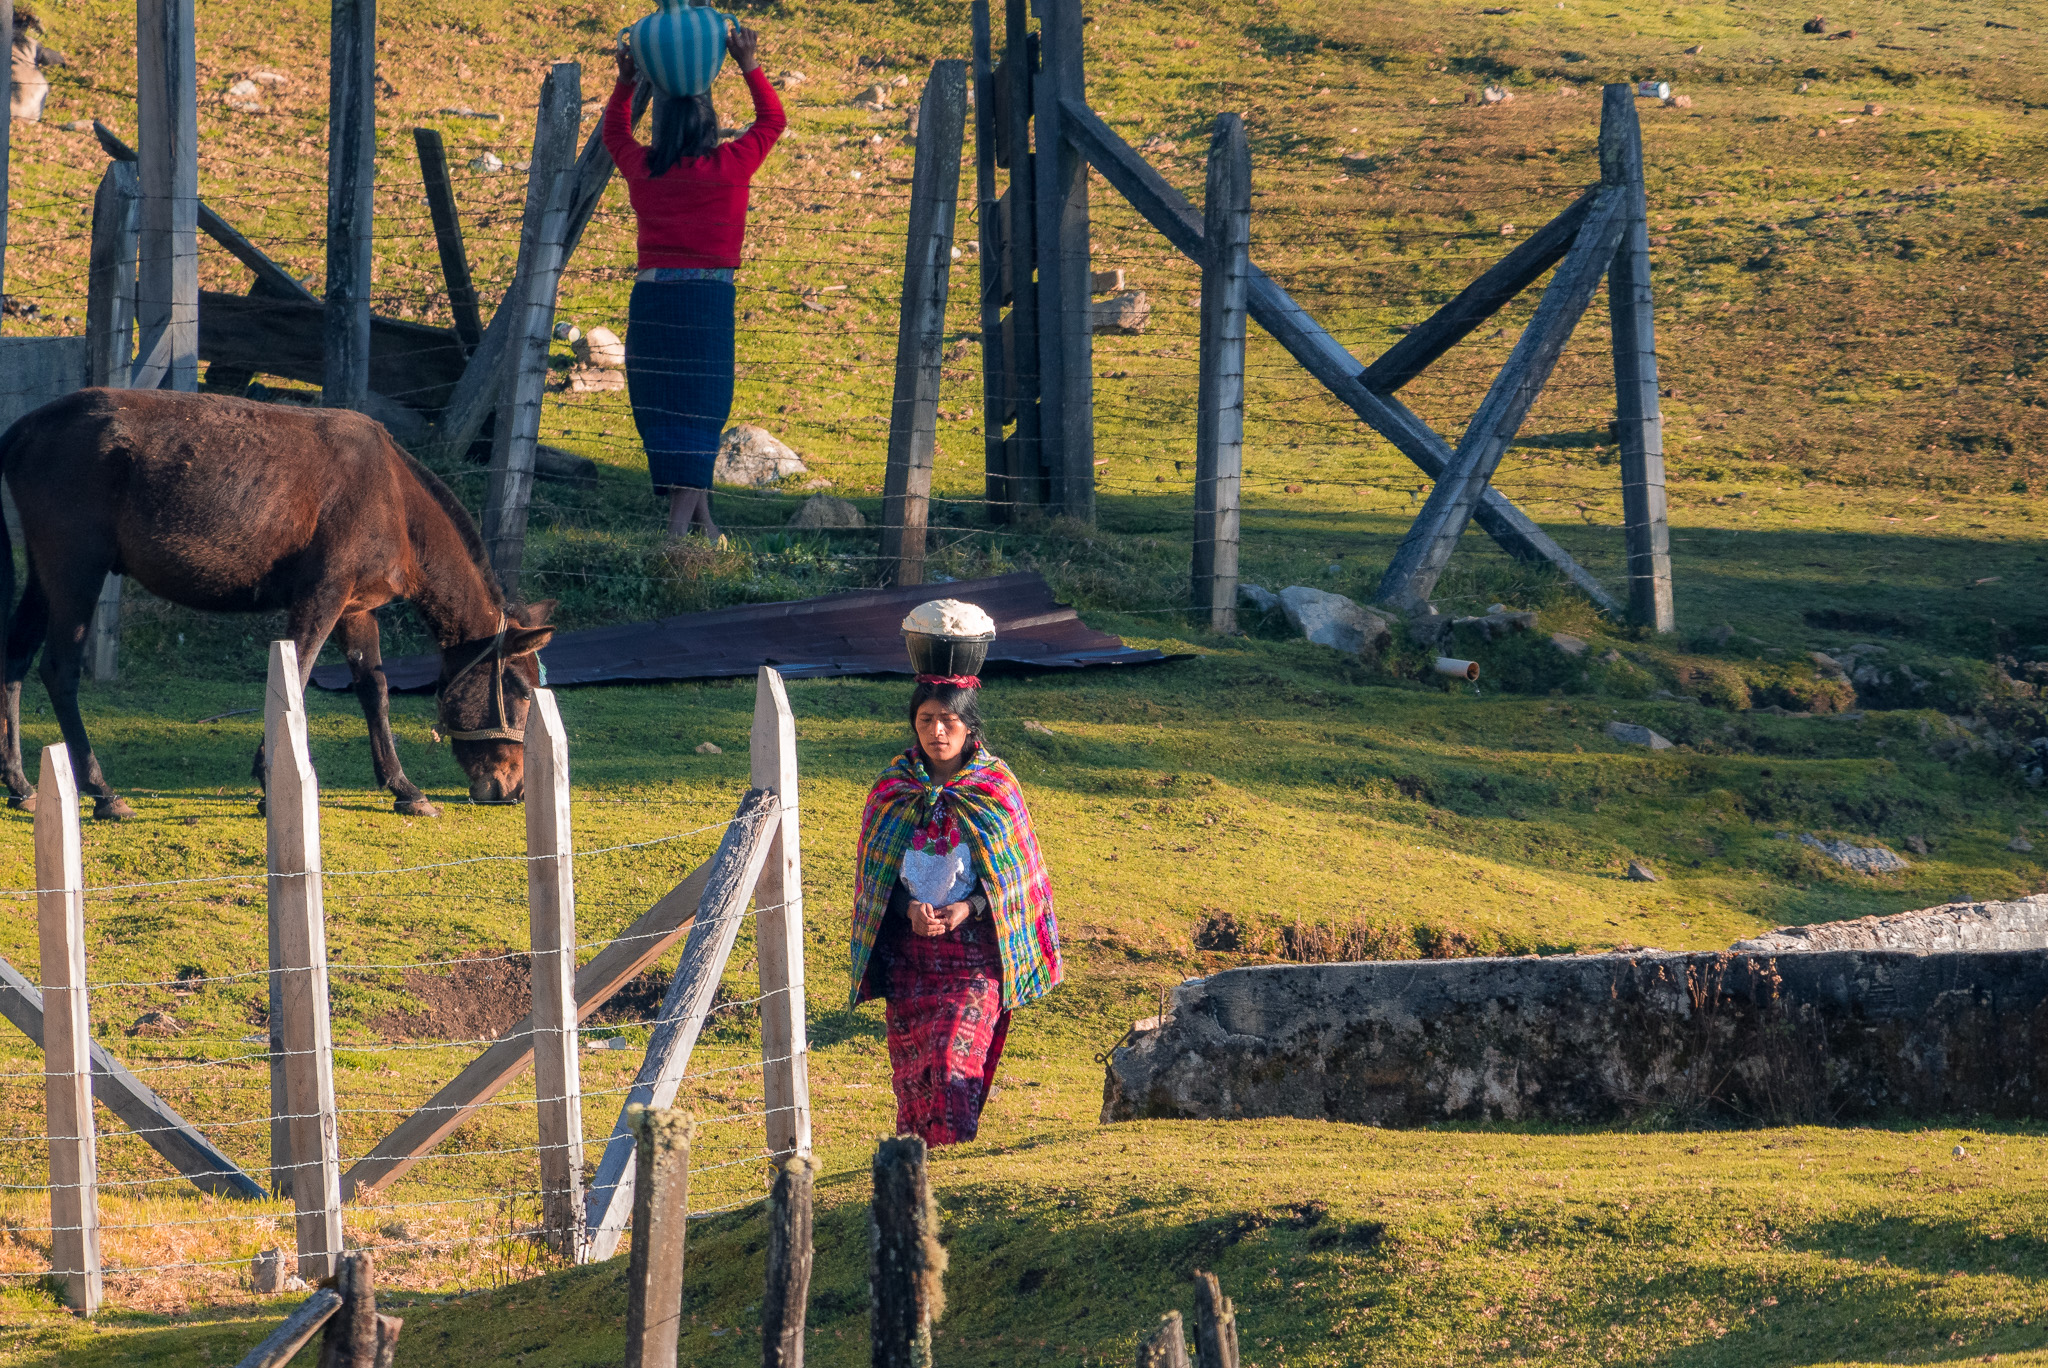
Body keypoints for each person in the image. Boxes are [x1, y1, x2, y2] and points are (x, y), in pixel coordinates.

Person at [850, 674, 1063, 1146]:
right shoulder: (893, 789)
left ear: (969, 727)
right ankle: (917, 1180)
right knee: (916, 1080)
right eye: (926, 720)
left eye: (948, 720)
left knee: (951, 1065)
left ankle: (948, 1175)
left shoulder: (995, 789)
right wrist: (908, 910)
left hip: (973, 960)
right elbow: (876, 881)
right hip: (911, 960)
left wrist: (968, 908)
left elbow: (1014, 882)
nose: (937, 732)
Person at [604, 22, 785, 541]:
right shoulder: (730, 166)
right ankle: (675, 535)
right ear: (711, 130)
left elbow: (614, 134)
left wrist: (625, 81)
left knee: (664, 407)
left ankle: (704, 524)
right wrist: (748, 62)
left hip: (655, 300)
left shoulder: (646, 170)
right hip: (707, 301)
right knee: (701, 410)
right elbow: (773, 120)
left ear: (660, 131)